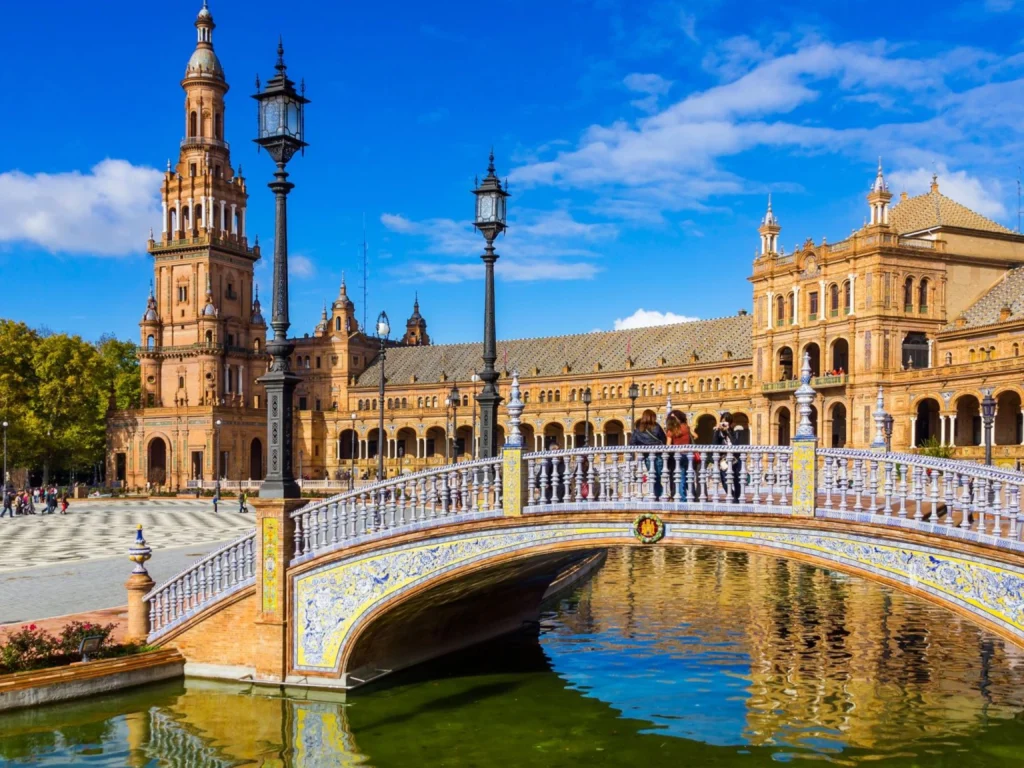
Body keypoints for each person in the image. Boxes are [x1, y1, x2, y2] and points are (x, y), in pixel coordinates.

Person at [630, 409, 667, 499]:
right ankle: (660, 495)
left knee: (653, 477)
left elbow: (631, 443)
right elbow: (664, 440)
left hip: (647, 457)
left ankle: (657, 495)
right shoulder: (657, 427)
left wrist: (641, 447)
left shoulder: (638, 429)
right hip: (658, 456)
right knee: (657, 477)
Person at [666, 410, 695, 499]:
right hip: (689, 455)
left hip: (679, 456)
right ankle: (692, 496)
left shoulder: (671, 431)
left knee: (681, 477)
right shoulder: (686, 427)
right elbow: (695, 436)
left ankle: (683, 498)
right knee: (689, 477)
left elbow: (668, 446)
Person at [713, 413, 741, 502]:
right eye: (722, 421)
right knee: (724, 480)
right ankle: (732, 496)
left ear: (730, 423)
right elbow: (714, 445)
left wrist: (728, 431)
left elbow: (736, 444)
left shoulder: (735, 430)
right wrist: (717, 430)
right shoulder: (718, 432)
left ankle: (737, 497)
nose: (724, 423)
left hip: (735, 459)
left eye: (726, 421)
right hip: (724, 459)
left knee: (737, 479)